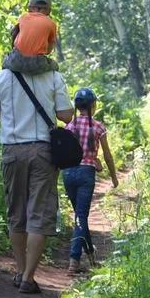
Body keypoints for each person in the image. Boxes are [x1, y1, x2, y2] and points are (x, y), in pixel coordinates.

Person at [0, 67, 73, 294]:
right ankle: (28, 277)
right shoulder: (52, 76)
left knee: (17, 212)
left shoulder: (1, 77)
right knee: (38, 212)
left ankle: (21, 271)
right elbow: (66, 115)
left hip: (12, 151)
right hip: (43, 152)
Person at [62, 87, 118, 275]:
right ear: (93, 105)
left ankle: (91, 257)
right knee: (80, 216)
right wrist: (113, 176)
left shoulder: (68, 127)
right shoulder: (98, 127)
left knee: (80, 215)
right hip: (86, 173)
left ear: (76, 106)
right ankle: (74, 261)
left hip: (68, 173)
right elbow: (108, 156)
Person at [2, 0, 59, 75]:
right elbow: (48, 50)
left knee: (5, 61)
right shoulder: (51, 23)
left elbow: (14, 33)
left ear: (29, 7)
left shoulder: (23, 17)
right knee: (55, 66)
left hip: (17, 61)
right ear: (49, 10)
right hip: (37, 63)